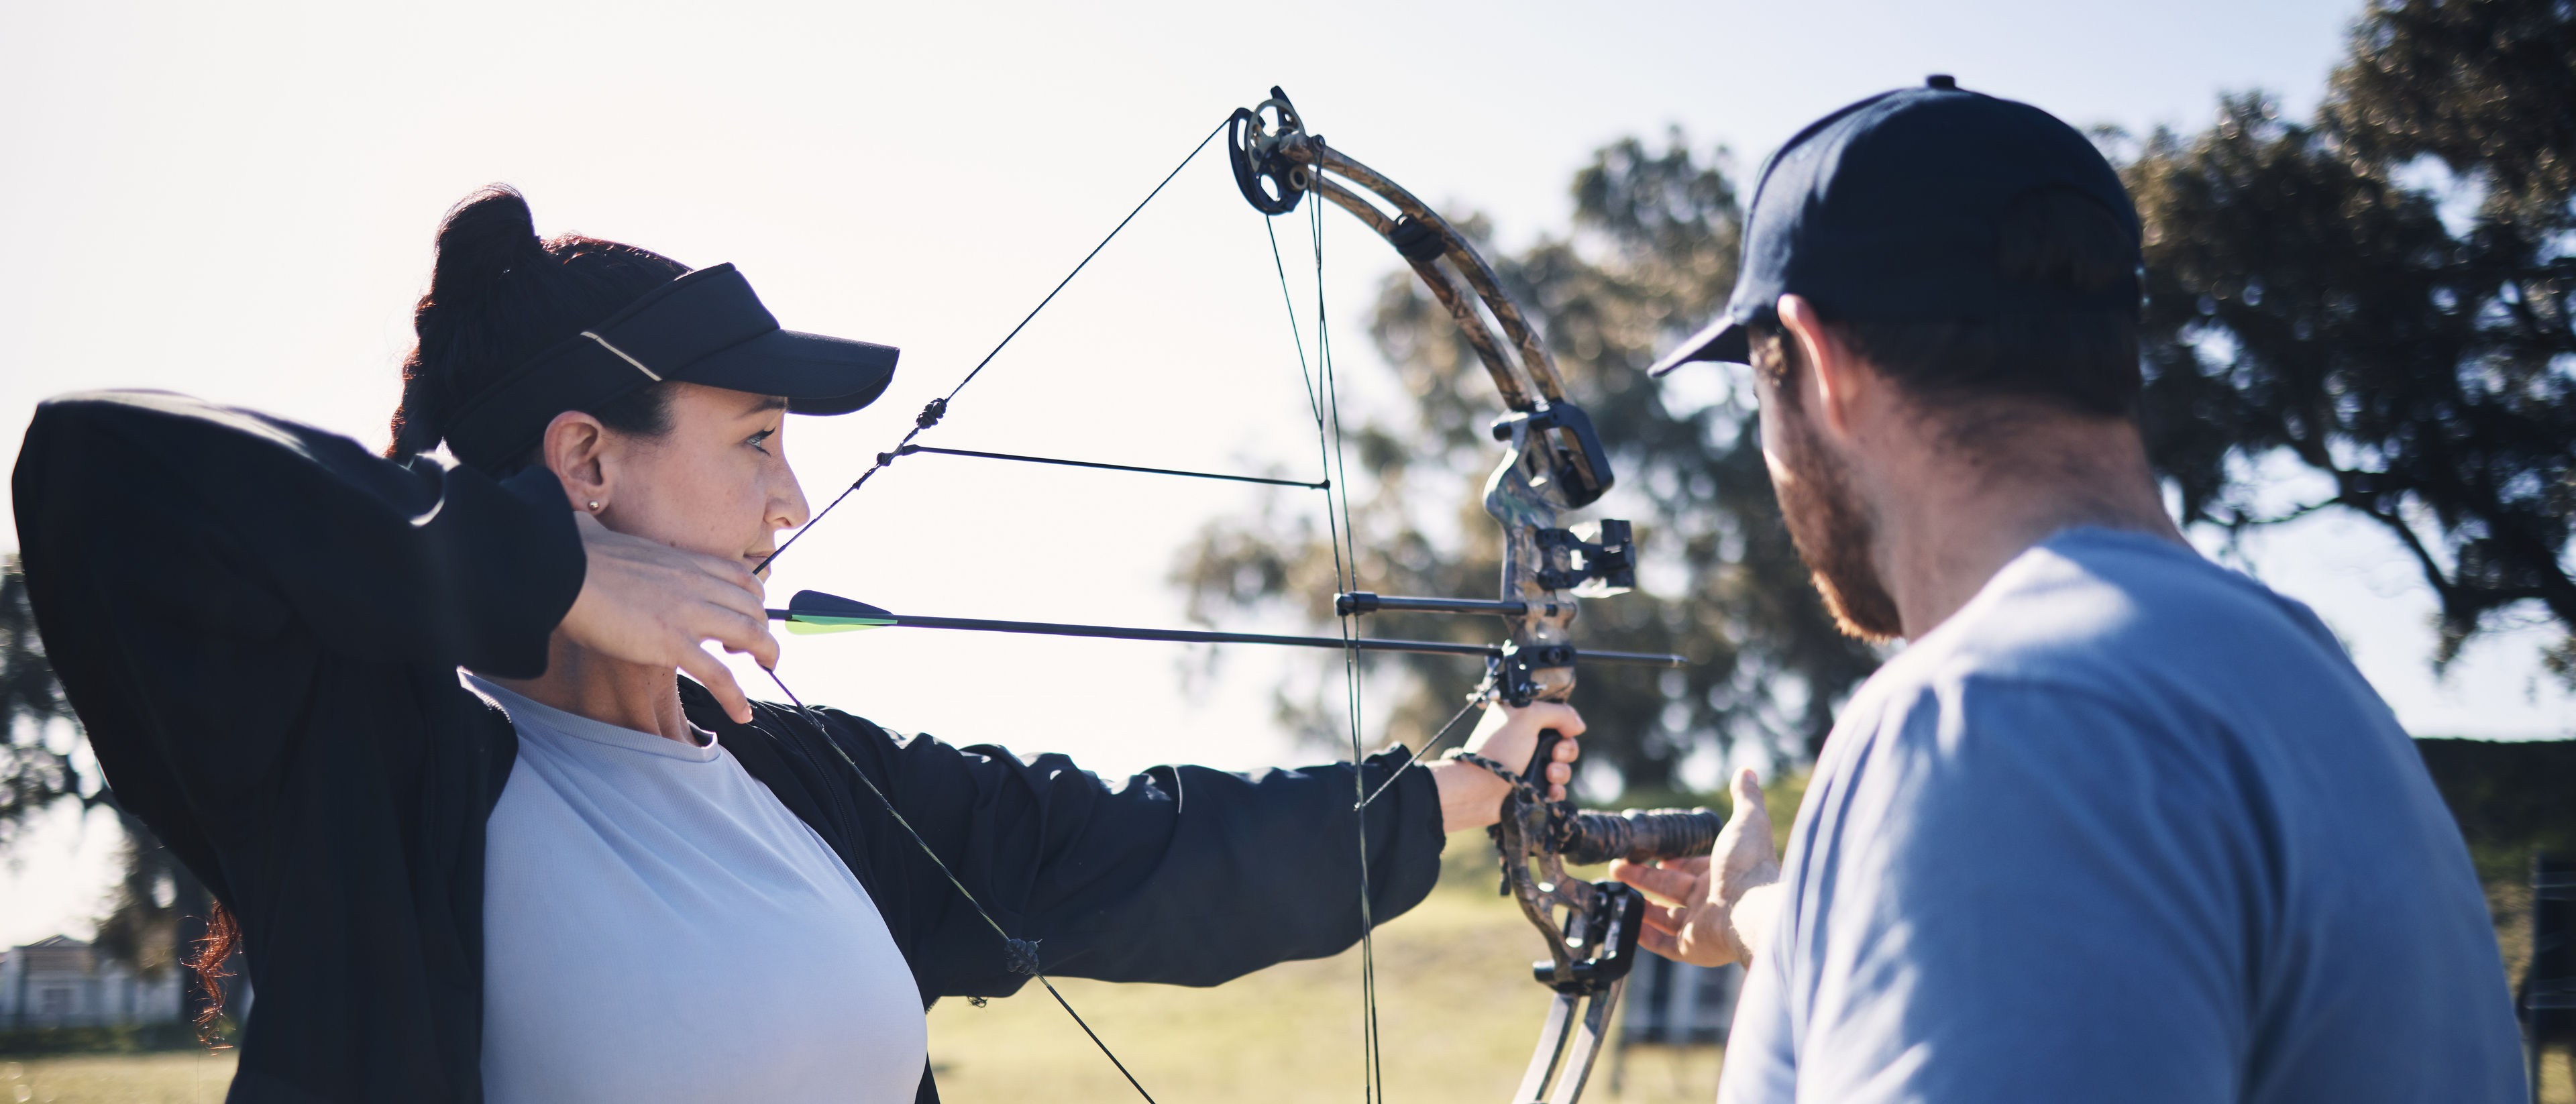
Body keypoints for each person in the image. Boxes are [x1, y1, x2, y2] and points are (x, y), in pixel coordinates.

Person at [9, 184, 1584, 1104]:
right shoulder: (376, 769)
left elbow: (1120, 853)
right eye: (756, 437)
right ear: (586, 463)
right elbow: (102, 471)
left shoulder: (796, 784)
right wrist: (547, 578)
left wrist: (1458, 786)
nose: (795, 492)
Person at [1623, 78, 2526, 1102]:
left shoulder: (1997, 715)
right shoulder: (2309, 687)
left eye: (1759, 382)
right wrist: (1760, 907)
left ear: (1822, 363)